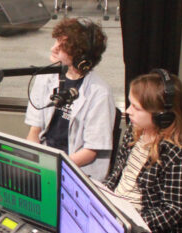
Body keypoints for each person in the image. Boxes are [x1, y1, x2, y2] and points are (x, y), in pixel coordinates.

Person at [104, 70, 182, 233]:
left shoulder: (177, 155)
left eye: (136, 108)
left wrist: (131, 222)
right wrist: (102, 195)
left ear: (162, 116)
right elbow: (117, 175)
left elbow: (172, 211)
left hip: (143, 228)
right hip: (118, 210)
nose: (128, 111)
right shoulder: (134, 131)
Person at [25, 18, 115, 179]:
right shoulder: (45, 77)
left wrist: (52, 167)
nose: (53, 48)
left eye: (62, 46)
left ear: (81, 56)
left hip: (77, 169)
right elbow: (34, 131)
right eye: (56, 42)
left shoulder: (100, 93)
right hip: (46, 162)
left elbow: (90, 151)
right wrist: (34, 164)